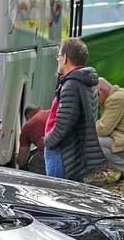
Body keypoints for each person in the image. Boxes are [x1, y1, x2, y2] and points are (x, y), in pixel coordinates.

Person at [43, 38, 104, 181]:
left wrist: (49, 141)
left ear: (65, 58)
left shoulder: (71, 84)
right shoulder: (86, 81)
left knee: (57, 195)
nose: (58, 59)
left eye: (59, 56)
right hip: (75, 152)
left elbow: (65, 123)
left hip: (62, 152)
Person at [17, 105, 48, 174]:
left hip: (47, 155)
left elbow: (22, 157)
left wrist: (22, 168)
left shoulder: (27, 126)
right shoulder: (51, 112)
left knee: (35, 162)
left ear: (28, 117)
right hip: (69, 152)